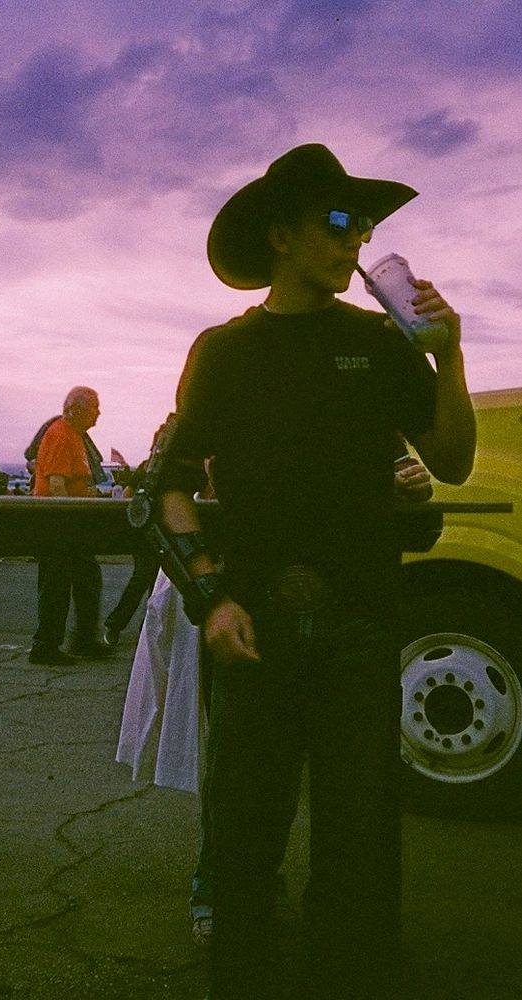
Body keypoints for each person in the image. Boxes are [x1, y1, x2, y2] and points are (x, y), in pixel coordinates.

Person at [151, 143, 476, 1000]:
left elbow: (450, 461)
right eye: (338, 222)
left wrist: (450, 353)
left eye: (363, 224)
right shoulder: (224, 351)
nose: (356, 240)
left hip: (361, 631)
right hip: (251, 634)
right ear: (282, 236)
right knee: (245, 843)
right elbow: (169, 490)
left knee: (360, 849)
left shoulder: (379, 342)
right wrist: (211, 600)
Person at [29, 386, 113, 665]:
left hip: (70, 524)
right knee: (57, 583)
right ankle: (46, 645)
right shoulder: (61, 435)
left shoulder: (76, 436)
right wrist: (70, 517)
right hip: (58, 523)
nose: (99, 412)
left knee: (86, 578)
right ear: (76, 408)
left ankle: (82, 639)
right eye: (95, 406)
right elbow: (56, 484)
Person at [102, 460, 161, 646]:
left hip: (144, 530)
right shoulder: (156, 467)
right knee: (149, 580)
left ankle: (125, 627)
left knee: (147, 580)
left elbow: (127, 494)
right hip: (155, 531)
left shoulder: (147, 466)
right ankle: (128, 627)